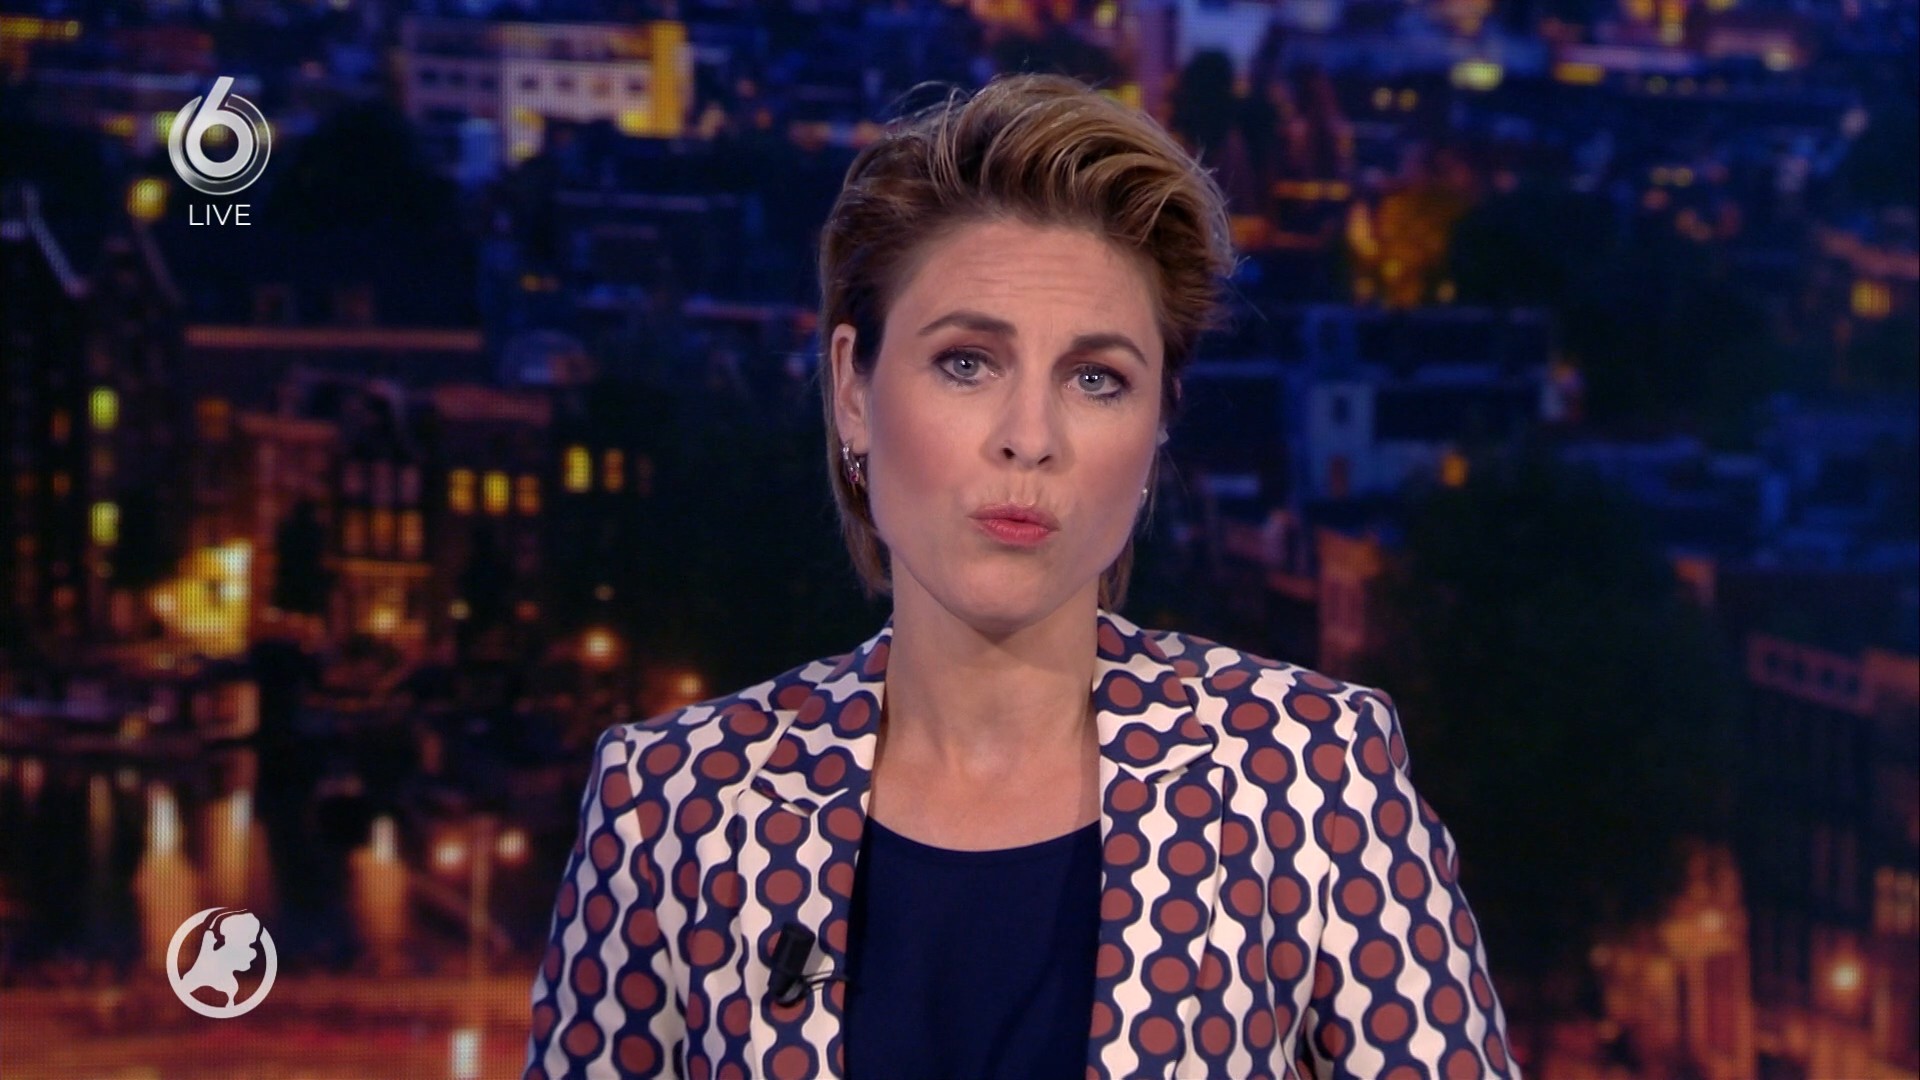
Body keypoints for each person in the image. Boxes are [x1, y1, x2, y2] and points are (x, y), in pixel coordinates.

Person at [524, 72, 1518, 1080]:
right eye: (967, 362)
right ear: (853, 389)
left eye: (1096, 379)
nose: (1030, 437)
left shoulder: (1309, 779)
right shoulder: (675, 806)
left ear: (1159, 424)